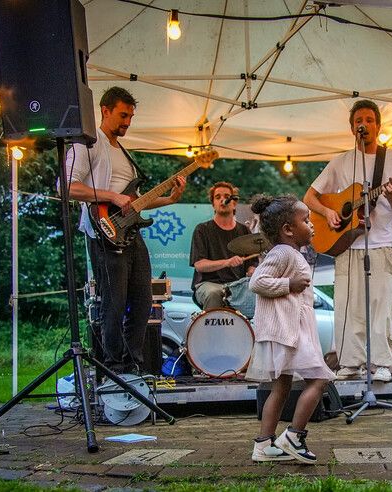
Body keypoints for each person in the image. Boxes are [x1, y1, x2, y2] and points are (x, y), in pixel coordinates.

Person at [65, 86, 186, 375]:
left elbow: (135, 202)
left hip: (131, 234)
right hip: (104, 233)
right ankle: (113, 364)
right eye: (122, 115)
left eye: (130, 117)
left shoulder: (125, 154)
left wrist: (170, 199)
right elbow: (68, 186)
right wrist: (111, 196)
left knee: (144, 300)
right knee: (114, 303)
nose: (127, 122)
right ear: (104, 111)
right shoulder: (87, 144)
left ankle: (132, 362)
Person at [303, 99, 392, 382]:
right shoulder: (341, 162)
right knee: (347, 306)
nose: (363, 124)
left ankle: (381, 364)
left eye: (369, 119)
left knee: (382, 307)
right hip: (348, 244)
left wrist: (390, 195)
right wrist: (328, 212)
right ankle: (350, 363)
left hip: (383, 245)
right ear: (353, 128)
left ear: (378, 125)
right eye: (358, 121)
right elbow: (309, 197)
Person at [245, 194, 335, 464]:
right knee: (319, 380)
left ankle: (264, 446)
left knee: (281, 387)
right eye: (306, 220)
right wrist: (288, 285)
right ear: (288, 230)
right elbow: (257, 282)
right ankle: (294, 436)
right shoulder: (283, 252)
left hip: (289, 330)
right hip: (288, 333)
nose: (312, 225)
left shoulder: (289, 253)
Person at [190, 181, 258, 310]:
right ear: (213, 204)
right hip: (209, 284)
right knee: (214, 293)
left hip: (237, 284)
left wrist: (252, 271)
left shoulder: (244, 231)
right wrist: (227, 262)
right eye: (218, 197)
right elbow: (200, 265)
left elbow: (252, 264)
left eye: (227, 197)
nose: (223, 200)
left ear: (234, 203)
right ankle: (211, 329)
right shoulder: (202, 230)